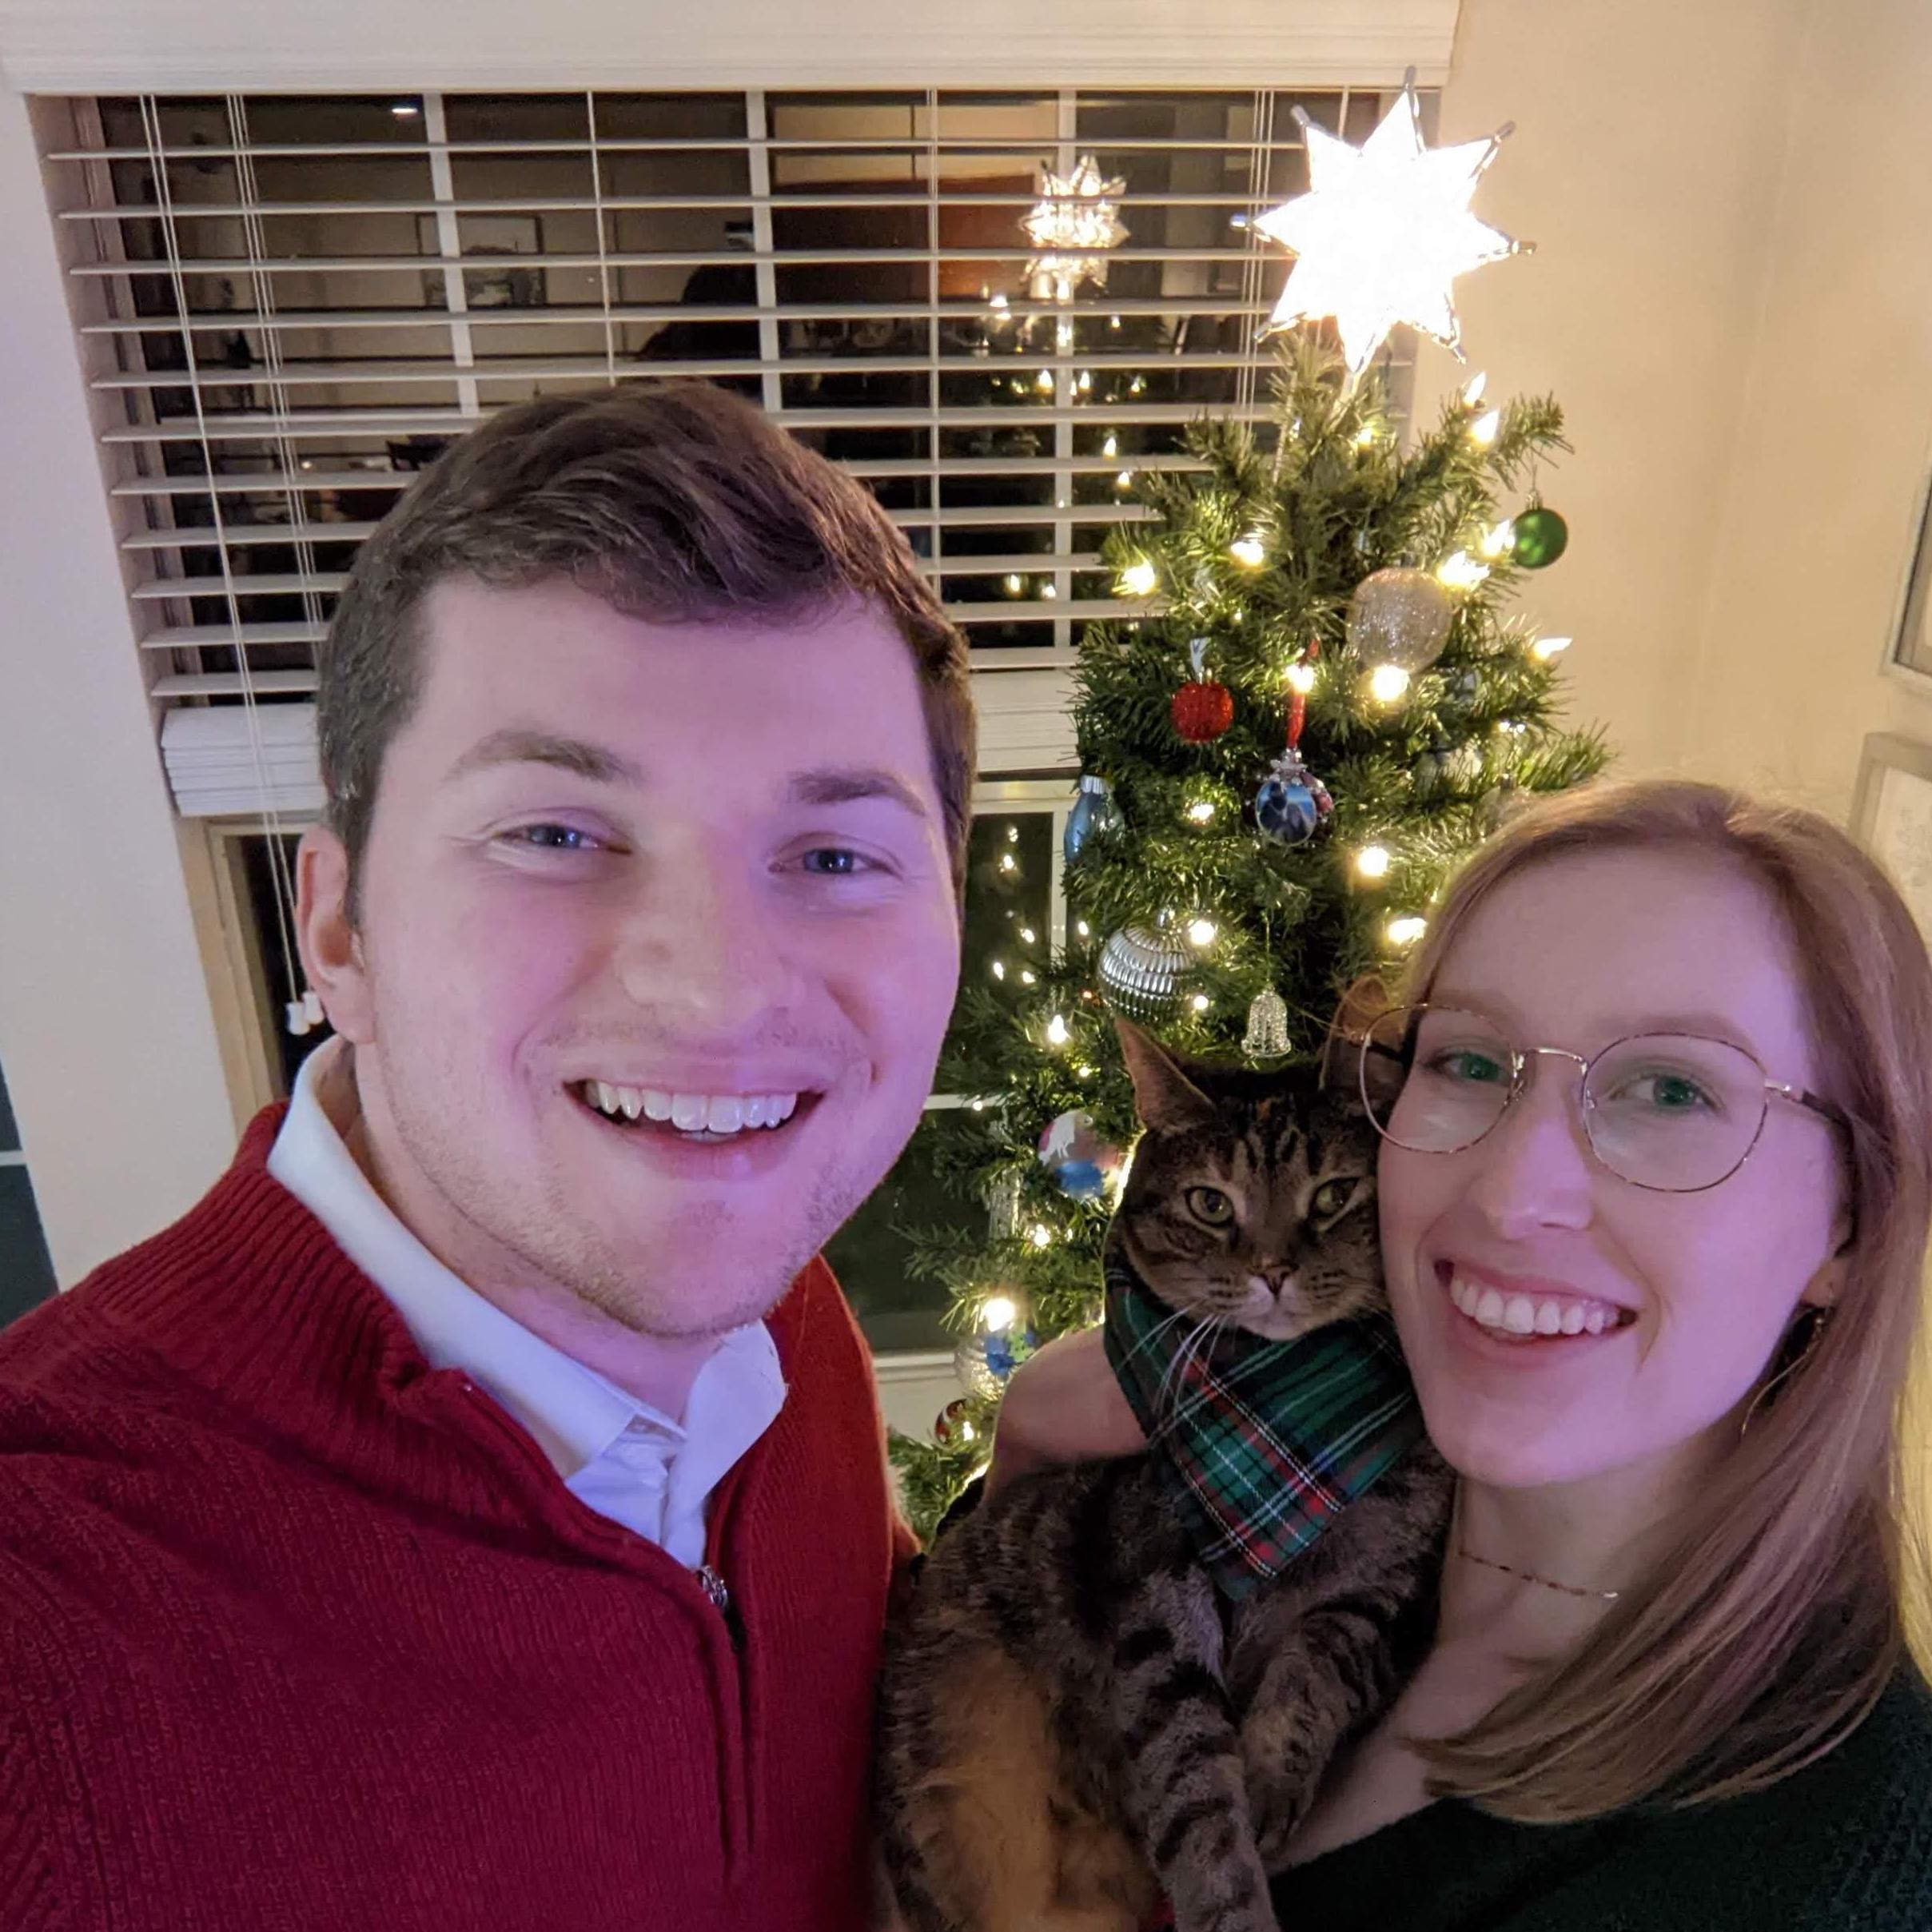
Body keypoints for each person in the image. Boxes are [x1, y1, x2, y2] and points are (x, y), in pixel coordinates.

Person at [0, 382, 972, 1931]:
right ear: (338, 927)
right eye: (555, 833)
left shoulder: (782, 1327)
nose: (715, 987)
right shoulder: (47, 1632)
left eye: (838, 856)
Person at [991, 778, 1932, 1929]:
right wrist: (1026, 1456)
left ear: (1850, 1218)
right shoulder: (1276, 1488)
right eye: (1470, 1063)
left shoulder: (1833, 1870)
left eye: (1670, 1088)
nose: (1510, 1188)